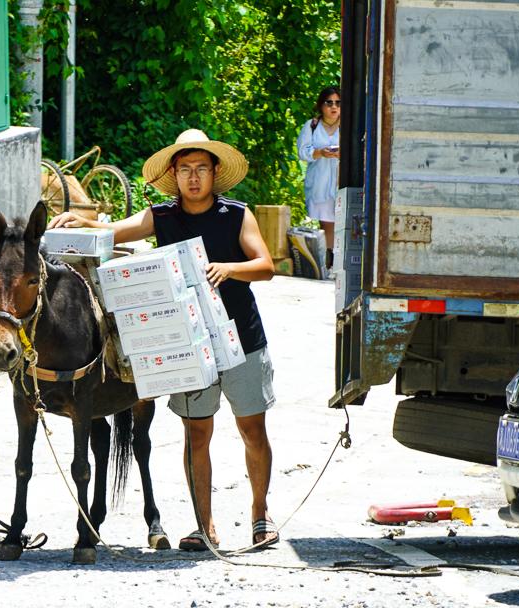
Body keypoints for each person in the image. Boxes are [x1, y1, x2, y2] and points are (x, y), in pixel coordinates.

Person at [48, 129, 279, 551]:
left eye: (201, 169)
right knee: (197, 433)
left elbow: (265, 265)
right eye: (186, 169)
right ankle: (203, 525)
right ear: (174, 175)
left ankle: (260, 514)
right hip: (189, 344)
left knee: (252, 430)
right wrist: (84, 222)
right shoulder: (164, 217)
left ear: (215, 173)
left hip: (242, 337)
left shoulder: (236, 214)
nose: (194, 177)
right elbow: (114, 231)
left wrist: (229, 268)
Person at [296, 86, 341, 271]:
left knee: (342, 220)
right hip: (320, 182)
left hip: (341, 179)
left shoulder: (349, 124)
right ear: (321, 105)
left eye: (338, 103)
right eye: (329, 102)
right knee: (327, 221)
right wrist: (320, 153)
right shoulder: (312, 126)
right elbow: (302, 152)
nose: (334, 107)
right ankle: (330, 263)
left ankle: (341, 260)